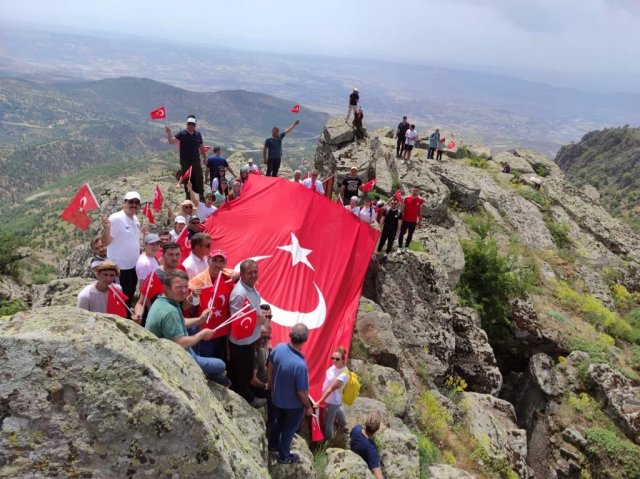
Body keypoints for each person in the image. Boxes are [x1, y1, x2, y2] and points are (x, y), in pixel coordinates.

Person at [145, 270, 231, 387]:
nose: (184, 291)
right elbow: (179, 343)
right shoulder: (170, 311)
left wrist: (199, 320)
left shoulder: (162, 301)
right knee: (221, 365)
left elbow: (180, 322)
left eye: (186, 286)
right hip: (173, 356)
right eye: (179, 287)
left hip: (165, 349)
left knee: (195, 327)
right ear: (166, 287)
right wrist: (201, 335)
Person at [268, 323, 313, 464]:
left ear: (290, 334)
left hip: (276, 399)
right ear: (305, 340)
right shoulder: (300, 365)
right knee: (288, 430)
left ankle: (273, 445)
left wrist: (271, 387)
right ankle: (283, 456)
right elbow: (301, 392)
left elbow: (270, 367)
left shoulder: (278, 348)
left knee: (276, 423)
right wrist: (308, 406)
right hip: (293, 406)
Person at [229, 259, 268, 407]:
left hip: (250, 339)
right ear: (242, 274)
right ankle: (248, 400)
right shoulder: (239, 293)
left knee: (247, 370)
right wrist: (257, 321)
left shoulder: (250, 287)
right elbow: (237, 320)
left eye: (255, 272)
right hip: (242, 342)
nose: (253, 275)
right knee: (243, 374)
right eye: (249, 272)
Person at [188, 249, 236, 360]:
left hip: (222, 328)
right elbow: (188, 305)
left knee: (219, 358)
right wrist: (193, 295)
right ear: (208, 260)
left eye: (221, 261)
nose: (218, 264)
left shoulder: (228, 276)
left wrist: (236, 276)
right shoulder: (198, 280)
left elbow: (236, 274)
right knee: (205, 359)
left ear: (225, 263)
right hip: (205, 329)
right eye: (215, 260)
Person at [100, 191, 143, 310]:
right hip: (119, 269)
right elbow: (105, 243)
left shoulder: (135, 218)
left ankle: (126, 317)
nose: (134, 205)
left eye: (136, 202)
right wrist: (107, 228)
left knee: (128, 296)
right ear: (124, 203)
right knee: (118, 298)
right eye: (131, 202)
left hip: (132, 267)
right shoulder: (116, 218)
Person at [133, 242, 189, 325]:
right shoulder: (155, 276)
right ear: (163, 256)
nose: (174, 258)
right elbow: (141, 303)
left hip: (179, 322)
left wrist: (193, 297)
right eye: (170, 254)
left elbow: (184, 304)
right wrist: (138, 314)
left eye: (177, 254)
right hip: (158, 323)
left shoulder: (182, 271)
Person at [166, 115, 208, 201]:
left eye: (193, 124)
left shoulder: (198, 134)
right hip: (185, 161)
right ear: (186, 124)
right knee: (186, 178)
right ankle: (188, 196)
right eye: (189, 123)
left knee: (199, 177)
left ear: (195, 125)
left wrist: (205, 157)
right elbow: (171, 141)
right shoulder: (182, 133)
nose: (191, 125)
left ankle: (201, 196)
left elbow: (201, 147)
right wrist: (169, 132)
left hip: (196, 160)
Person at [313, 347, 349, 441]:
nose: (334, 361)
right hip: (334, 400)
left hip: (332, 400)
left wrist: (319, 402)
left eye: (337, 359)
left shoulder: (343, 375)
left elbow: (330, 389)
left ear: (343, 360)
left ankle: (328, 441)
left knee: (328, 422)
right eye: (332, 358)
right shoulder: (336, 367)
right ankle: (344, 425)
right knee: (338, 409)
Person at [350, 412, 384, 479]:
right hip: (361, 468)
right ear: (377, 428)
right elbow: (376, 473)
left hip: (351, 456)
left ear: (365, 423)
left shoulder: (356, 429)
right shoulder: (371, 449)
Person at [398, 187, 424, 253]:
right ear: (411, 191)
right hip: (405, 219)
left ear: (418, 192)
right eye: (414, 190)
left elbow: (420, 211)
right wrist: (400, 217)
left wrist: (420, 220)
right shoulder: (406, 198)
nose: (415, 192)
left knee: (410, 234)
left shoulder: (420, 200)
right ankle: (400, 247)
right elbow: (402, 209)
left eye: (416, 191)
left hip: (413, 221)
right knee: (402, 233)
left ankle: (406, 247)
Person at [377, 198, 402, 264]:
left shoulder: (399, 213)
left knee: (390, 244)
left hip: (393, 231)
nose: (393, 205)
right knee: (381, 242)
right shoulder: (386, 210)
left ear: (397, 204)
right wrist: (379, 227)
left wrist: (397, 233)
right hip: (385, 229)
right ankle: (377, 253)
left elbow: (399, 224)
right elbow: (382, 219)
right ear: (390, 203)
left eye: (395, 203)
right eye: (392, 203)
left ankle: (386, 256)